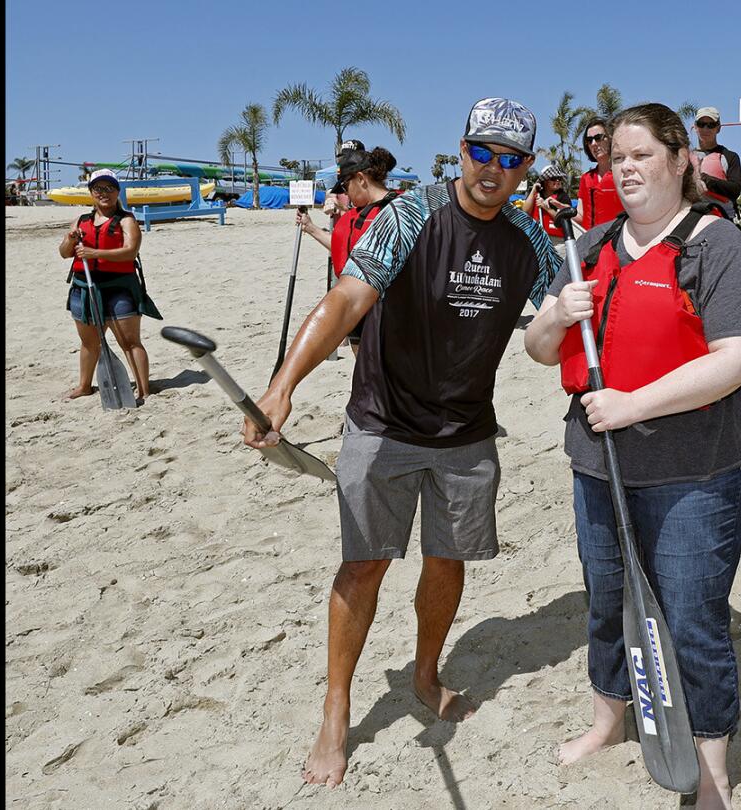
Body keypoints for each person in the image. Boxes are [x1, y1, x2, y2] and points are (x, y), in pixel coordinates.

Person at [243, 97, 561, 789]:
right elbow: (347, 299)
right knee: (364, 566)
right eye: (482, 152)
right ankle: (336, 708)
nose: (492, 170)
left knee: (447, 561)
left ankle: (424, 673)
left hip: (467, 433)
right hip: (381, 422)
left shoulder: (530, 244)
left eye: (509, 161)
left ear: (525, 170)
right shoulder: (410, 215)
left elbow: (578, 315)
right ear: (461, 150)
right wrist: (283, 384)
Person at [524, 102, 741, 809]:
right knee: (608, 602)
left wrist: (633, 404)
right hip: (599, 467)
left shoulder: (714, 245)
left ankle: (711, 764)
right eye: (617, 158)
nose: (625, 168)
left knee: (692, 616)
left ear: (679, 162)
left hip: (695, 471)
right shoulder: (592, 247)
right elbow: (541, 353)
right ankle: (609, 720)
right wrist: (555, 317)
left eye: (641, 155)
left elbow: (738, 358)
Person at [58, 168, 161, 402]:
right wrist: (70, 240)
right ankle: (84, 386)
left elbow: (130, 251)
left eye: (109, 188)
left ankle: (144, 390)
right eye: (98, 189)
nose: (103, 193)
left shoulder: (127, 220)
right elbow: (64, 253)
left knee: (129, 342)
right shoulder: (80, 221)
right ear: (91, 193)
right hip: (84, 288)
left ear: (117, 192)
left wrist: (94, 252)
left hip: (119, 288)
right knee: (89, 343)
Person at [295, 144, 400, 356]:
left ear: (361, 179)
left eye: (345, 186)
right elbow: (341, 248)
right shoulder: (402, 207)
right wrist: (311, 228)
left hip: (374, 313)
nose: (346, 194)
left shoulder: (364, 217)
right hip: (384, 314)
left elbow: (346, 256)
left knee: (370, 374)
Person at [690, 106, 741, 222]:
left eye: (711, 125)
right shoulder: (686, 157)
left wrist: (707, 180)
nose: (705, 129)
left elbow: (735, 190)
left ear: (718, 128)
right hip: (691, 218)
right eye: (701, 124)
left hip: (721, 218)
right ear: (695, 127)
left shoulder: (730, 157)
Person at [578, 118, 623, 230]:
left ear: (610, 139)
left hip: (617, 241)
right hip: (590, 242)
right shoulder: (586, 178)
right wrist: (558, 209)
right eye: (589, 140)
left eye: (598, 138)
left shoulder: (624, 173)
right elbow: (580, 216)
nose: (594, 144)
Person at [520, 164, 574, 254]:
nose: (557, 181)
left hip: (558, 243)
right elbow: (525, 211)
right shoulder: (536, 194)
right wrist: (533, 190)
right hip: (537, 238)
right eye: (553, 178)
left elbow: (564, 219)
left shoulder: (563, 197)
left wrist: (547, 208)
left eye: (559, 178)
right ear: (545, 181)